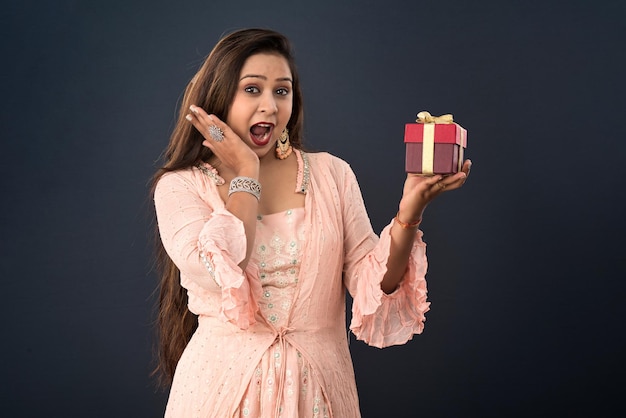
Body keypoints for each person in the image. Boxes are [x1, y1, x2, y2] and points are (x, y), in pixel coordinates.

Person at [151, 28, 471, 418]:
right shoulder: (181, 186)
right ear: (219, 95)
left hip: (319, 395)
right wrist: (246, 173)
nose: (270, 105)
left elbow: (376, 285)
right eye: (252, 89)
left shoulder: (331, 175)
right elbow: (222, 268)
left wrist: (409, 213)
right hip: (217, 395)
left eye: (281, 91)